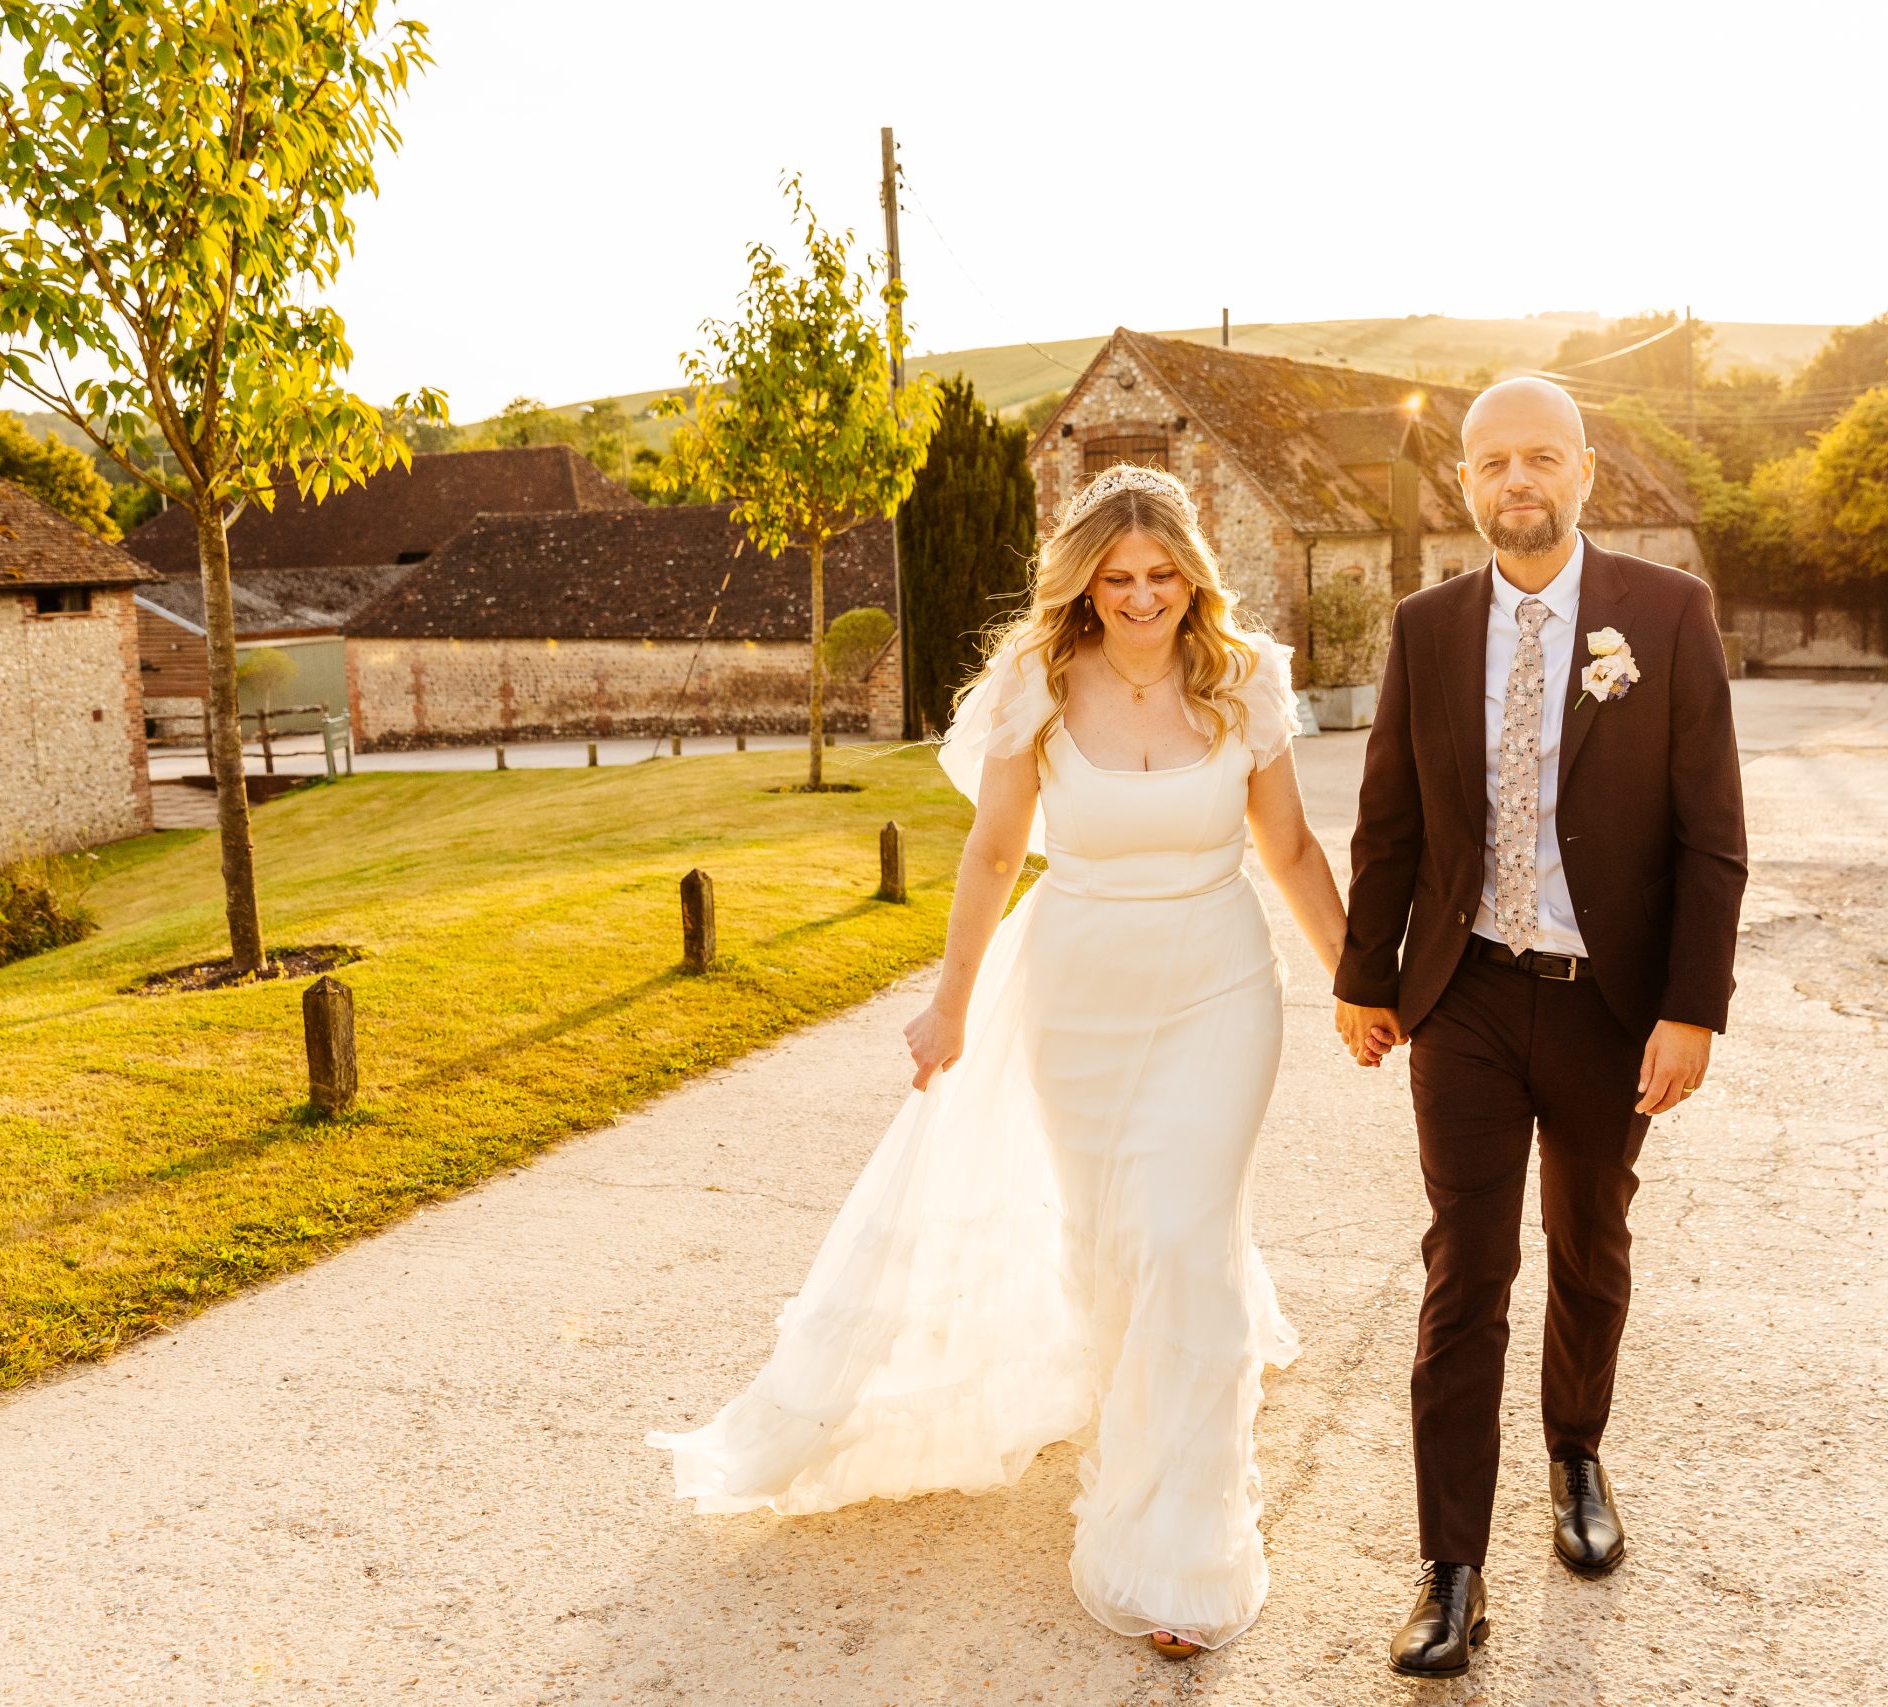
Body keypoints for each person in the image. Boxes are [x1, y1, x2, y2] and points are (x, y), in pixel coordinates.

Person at [652, 463, 1353, 1658]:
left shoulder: (1247, 682)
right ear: (1083, 583)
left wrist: (1356, 977)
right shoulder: (1037, 682)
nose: (1142, 599)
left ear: (1195, 570)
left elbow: (1284, 841)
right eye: (1118, 578)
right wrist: (952, 1003)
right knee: (1108, 1245)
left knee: (1183, 1234)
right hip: (1078, 990)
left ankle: (1176, 1543)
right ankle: (1132, 1408)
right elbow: (990, 855)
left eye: (1162, 574)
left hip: (1220, 984)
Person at [1334, 378, 1748, 1680]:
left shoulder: (1664, 615)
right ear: (1466, 481)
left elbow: (1713, 835)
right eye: (1493, 460)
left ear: (1583, 473)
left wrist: (1691, 1007)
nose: (1518, 479)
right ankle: (1450, 1566)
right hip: (1463, 995)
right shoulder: (1428, 626)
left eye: (1542, 457)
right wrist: (1364, 971)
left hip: (1608, 1004)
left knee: (1590, 1236)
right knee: (1467, 1268)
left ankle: (1577, 1454)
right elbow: (1390, 816)